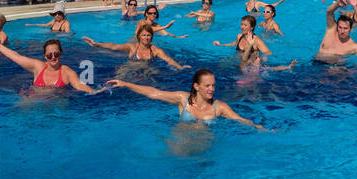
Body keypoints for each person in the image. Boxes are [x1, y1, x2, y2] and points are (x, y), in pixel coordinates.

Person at [105, 70, 265, 128]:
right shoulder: (183, 99)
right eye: (207, 85)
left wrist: (261, 129)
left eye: (213, 85)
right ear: (196, 86)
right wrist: (125, 83)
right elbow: (154, 93)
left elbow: (241, 120)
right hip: (179, 148)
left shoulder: (219, 107)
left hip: (204, 152)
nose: (211, 89)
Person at [0, 37, 98, 92]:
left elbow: (80, 85)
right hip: (32, 101)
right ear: (45, 56)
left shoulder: (67, 72)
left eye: (56, 54)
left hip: (56, 107)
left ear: (61, 54)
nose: (53, 57)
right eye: (49, 55)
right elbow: (16, 56)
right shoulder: (38, 66)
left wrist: (99, 91)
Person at [83, 24, 189, 69]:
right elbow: (114, 46)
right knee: (119, 76)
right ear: (139, 36)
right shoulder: (132, 48)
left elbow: (168, 59)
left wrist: (180, 67)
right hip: (130, 67)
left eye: (148, 35)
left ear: (152, 37)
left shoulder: (156, 50)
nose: (146, 38)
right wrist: (96, 44)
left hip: (147, 69)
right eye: (144, 35)